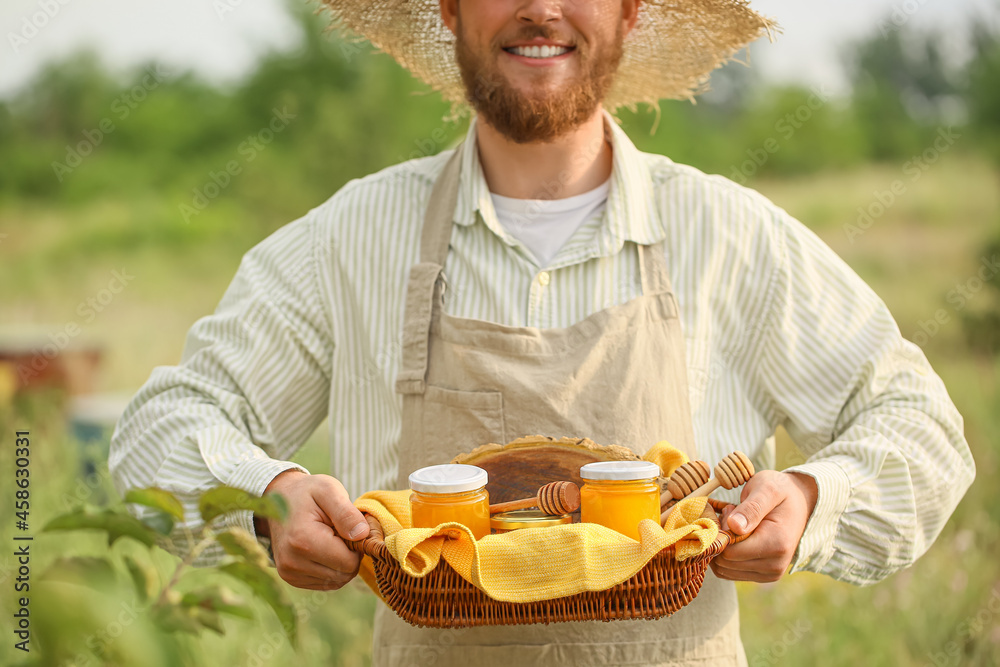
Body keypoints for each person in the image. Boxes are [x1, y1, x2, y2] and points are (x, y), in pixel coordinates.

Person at [109, 0, 976, 664]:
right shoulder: (349, 237)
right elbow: (166, 420)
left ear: (631, 9)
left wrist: (813, 499)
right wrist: (271, 497)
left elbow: (918, 426)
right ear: (447, 8)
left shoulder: (732, 234)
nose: (540, 6)